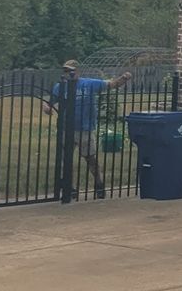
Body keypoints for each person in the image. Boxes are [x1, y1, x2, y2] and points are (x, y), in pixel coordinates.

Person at [45, 61, 132, 200]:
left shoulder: (89, 84)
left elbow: (111, 85)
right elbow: (50, 102)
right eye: (66, 71)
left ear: (78, 71)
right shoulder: (60, 86)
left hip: (84, 128)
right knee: (65, 160)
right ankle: (69, 188)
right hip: (66, 128)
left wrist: (124, 78)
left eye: (71, 71)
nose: (68, 74)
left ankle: (99, 185)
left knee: (90, 158)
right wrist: (47, 108)